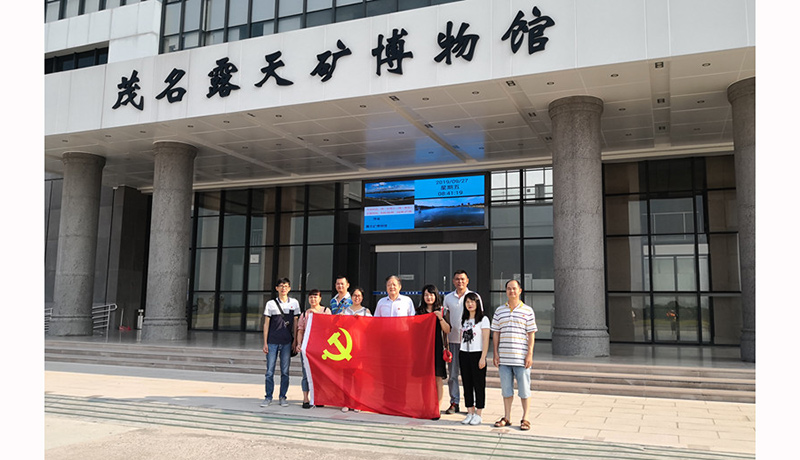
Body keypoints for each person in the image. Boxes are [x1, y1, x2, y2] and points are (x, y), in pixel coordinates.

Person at [491, 279, 537, 431]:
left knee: (524, 390)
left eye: (514, 288)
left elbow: (531, 334)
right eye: (509, 289)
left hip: (521, 358)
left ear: (520, 291)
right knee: (506, 390)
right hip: (504, 359)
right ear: (506, 291)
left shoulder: (528, 311)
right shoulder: (499, 311)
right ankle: (507, 417)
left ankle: (526, 418)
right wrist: (495, 353)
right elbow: (496, 333)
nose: (512, 291)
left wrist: (529, 354)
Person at [442, 270, 481, 415]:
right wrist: (445, 342)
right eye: (457, 279)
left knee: (470, 374)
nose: (460, 282)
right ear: (453, 281)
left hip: (470, 343)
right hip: (453, 341)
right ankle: (454, 402)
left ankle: (472, 404)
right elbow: (445, 319)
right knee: (453, 375)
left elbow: (479, 318)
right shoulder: (448, 298)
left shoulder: (474, 296)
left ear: (467, 280)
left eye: (463, 279)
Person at [261, 278, 300, 408]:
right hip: (272, 342)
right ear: (277, 288)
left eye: (286, 286)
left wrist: (295, 341)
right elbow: (266, 324)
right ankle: (268, 397)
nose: (284, 288)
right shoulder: (270, 304)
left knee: (285, 372)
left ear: (289, 288)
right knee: (269, 372)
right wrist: (265, 343)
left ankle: (283, 396)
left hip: (287, 342)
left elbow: (296, 323)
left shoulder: (294, 303)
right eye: (281, 286)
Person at [415, 284, 450, 412]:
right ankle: (425, 406)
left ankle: (437, 408)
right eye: (426, 295)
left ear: (436, 296)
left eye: (431, 294)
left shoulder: (442, 311)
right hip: (423, 349)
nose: (429, 297)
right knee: (423, 379)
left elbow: (447, 329)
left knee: (438, 378)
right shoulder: (419, 312)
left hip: (437, 348)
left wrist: (440, 318)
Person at [295, 289, 331, 409]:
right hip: (307, 347)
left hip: (321, 348)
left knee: (320, 374)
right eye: (311, 297)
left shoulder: (326, 311)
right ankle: (306, 398)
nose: (313, 299)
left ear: (320, 299)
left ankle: (319, 397)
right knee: (306, 373)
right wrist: (299, 344)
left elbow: (329, 328)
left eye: (315, 297)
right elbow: (300, 330)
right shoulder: (304, 314)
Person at [459, 292, 490, 426]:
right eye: (467, 302)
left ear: (477, 303)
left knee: (479, 384)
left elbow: (485, 340)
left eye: (472, 301)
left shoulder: (483, 319)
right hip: (464, 353)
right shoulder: (464, 320)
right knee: (467, 384)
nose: (470, 304)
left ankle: (478, 413)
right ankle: (469, 411)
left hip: (477, 354)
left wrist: (483, 357)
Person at [340, 286, 371, 412]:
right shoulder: (345, 311)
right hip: (346, 348)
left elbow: (371, 328)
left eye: (359, 296)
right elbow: (338, 327)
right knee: (346, 376)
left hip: (360, 348)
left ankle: (357, 403)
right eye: (354, 295)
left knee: (358, 377)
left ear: (362, 298)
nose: (356, 298)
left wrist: (362, 321)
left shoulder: (366, 312)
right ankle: (346, 402)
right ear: (351, 297)